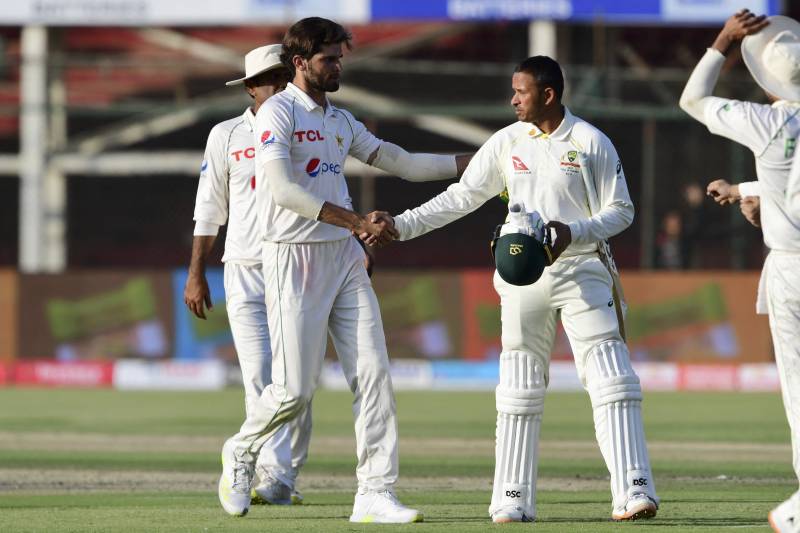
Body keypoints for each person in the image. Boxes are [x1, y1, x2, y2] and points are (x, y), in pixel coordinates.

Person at [379, 55, 659, 523]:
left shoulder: (590, 141)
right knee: (518, 386)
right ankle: (512, 498)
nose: (512, 100)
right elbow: (461, 197)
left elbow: (622, 210)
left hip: (582, 268)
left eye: (521, 92)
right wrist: (401, 226)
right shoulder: (506, 142)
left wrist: (575, 230)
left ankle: (634, 490)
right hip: (520, 273)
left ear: (548, 95)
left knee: (613, 379)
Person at [217, 17, 473, 522]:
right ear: (300, 62)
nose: (338, 66)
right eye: (329, 59)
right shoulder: (277, 114)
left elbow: (400, 161)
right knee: (294, 391)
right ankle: (241, 450)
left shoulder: (340, 120)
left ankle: (374, 492)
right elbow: (284, 192)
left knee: (374, 373)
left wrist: (481, 162)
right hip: (293, 257)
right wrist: (358, 221)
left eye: (340, 57)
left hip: (344, 259)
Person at [679, 11, 800, 532]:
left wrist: (724, 41)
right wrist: (753, 196)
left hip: (792, 270)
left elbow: (692, 99)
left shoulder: (768, 123)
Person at [184, 44, 313, 507]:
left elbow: (329, 186)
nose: (279, 86)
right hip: (243, 269)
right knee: (259, 376)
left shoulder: (307, 125)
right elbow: (209, 207)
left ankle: (282, 477)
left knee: (296, 382)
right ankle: (260, 471)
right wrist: (196, 272)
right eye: (269, 80)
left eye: (284, 76)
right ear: (252, 88)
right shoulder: (226, 134)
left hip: (299, 264)